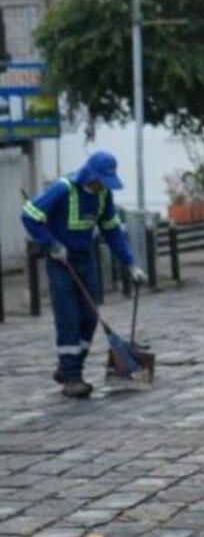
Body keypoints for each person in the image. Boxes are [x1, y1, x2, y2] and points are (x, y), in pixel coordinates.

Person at [21, 151, 147, 399]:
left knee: (89, 317)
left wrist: (131, 264)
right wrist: (52, 244)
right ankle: (72, 378)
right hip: (60, 261)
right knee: (69, 317)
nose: (102, 185)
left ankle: (68, 366)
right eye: (99, 180)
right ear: (90, 174)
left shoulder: (103, 196)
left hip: (85, 259)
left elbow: (112, 232)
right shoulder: (62, 189)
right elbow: (29, 216)